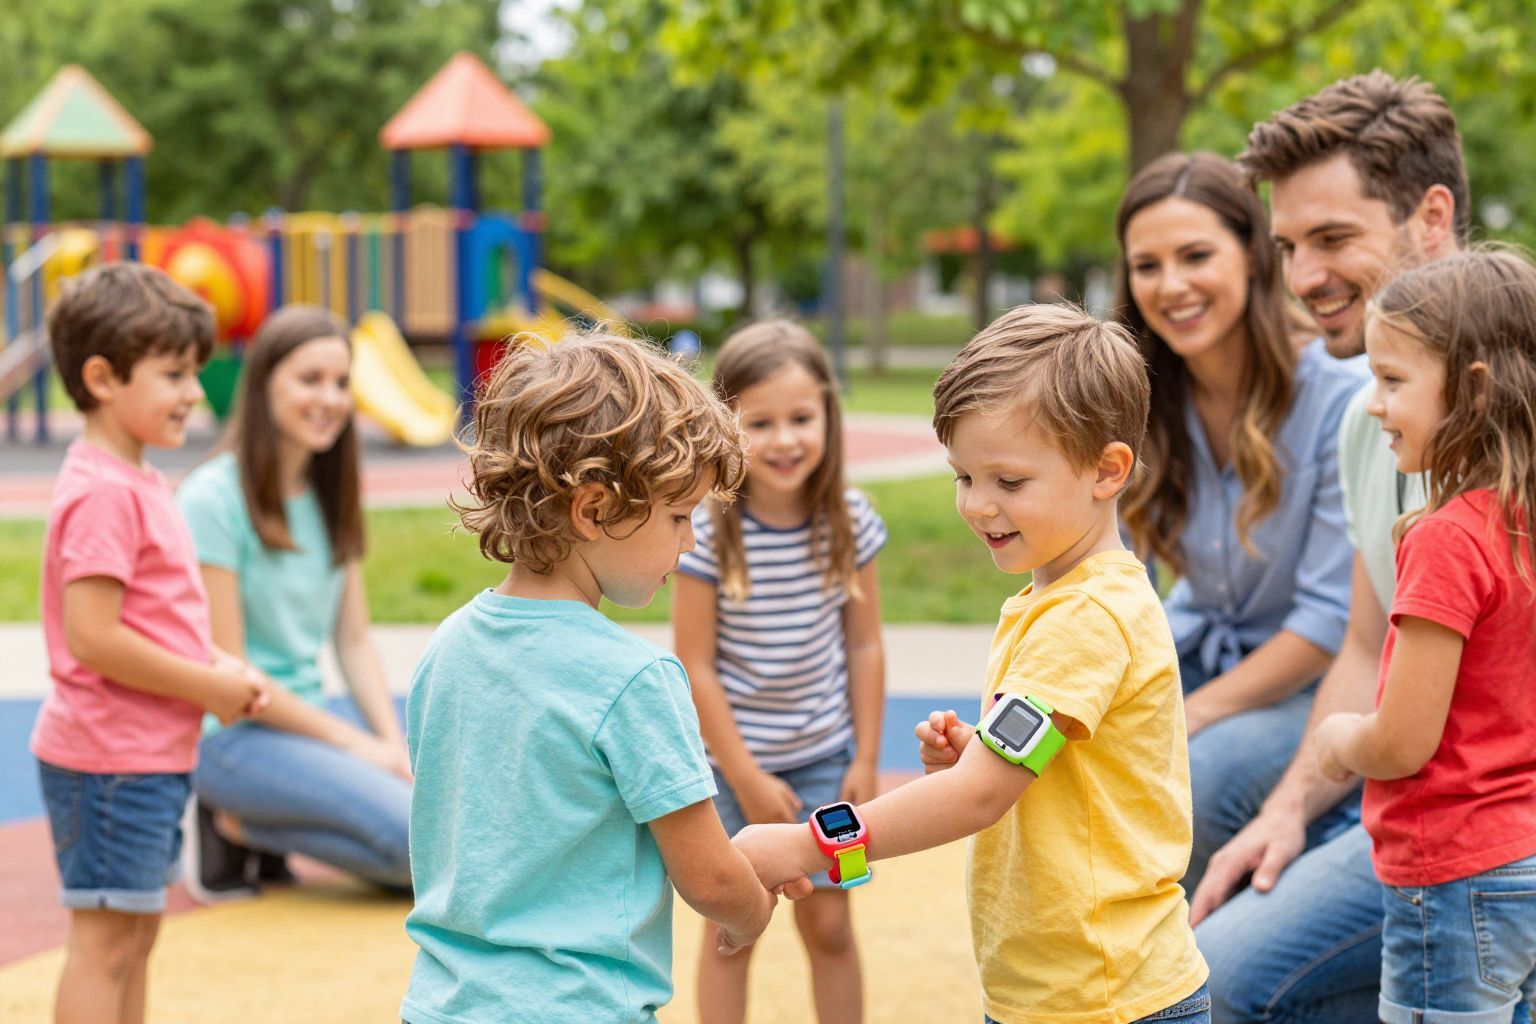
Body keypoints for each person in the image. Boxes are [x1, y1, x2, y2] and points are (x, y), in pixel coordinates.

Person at [733, 304, 1210, 1024]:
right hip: (1062, 989)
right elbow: (1016, 772)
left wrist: (808, 845)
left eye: (1009, 482)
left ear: (1107, 470)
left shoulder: (1084, 617)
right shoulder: (1061, 595)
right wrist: (979, 756)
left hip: (1104, 998)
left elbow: (977, 800)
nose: (978, 505)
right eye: (962, 476)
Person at [399, 330, 807, 1024]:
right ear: (592, 509)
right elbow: (709, 876)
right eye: (679, 516)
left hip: (441, 1004)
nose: (689, 541)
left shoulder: (448, 649)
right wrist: (750, 911)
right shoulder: (635, 679)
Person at [1188, 71, 1469, 1022]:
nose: (1303, 276)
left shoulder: (1514, 420)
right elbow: (1361, 644)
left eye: (1335, 239)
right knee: (1212, 957)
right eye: (1290, 246)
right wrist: (1284, 812)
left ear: (1432, 217)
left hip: (1490, 831)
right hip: (1415, 803)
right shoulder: (1366, 422)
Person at [1114, 152, 1364, 888]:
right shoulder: (1142, 400)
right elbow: (1116, 574)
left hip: (1313, 684)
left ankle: (1187, 980)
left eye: (1196, 256)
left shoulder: (1337, 398)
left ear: (1255, 258)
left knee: (1192, 773)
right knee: (1059, 768)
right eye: (1147, 265)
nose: (1172, 286)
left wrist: (1185, 716)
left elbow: (1326, 622)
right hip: (1197, 652)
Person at [31, 264, 269, 1024]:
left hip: (139, 757)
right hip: (109, 761)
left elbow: (152, 618)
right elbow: (93, 637)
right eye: (173, 375)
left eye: (194, 373)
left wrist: (214, 664)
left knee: (133, 938)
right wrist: (204, 686)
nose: (194, 393)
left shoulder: (133, 480)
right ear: (102, 378)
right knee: (105, 945)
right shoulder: (104, 490)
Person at [1314, 249, 1536, 1024]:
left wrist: (1341, 738)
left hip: (1452, 876)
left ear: (1474, 391)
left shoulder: (1449, 539)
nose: (1373, 404)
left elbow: (1403, 742)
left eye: (1393, 380)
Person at [674, 321, 886, 1024]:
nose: (784, 438)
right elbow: (694, 665)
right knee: (734, 928)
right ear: (725, 425)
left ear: (829, 412)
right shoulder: (703, 530)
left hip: (827, 760)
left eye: (801, 417)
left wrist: (865, 756)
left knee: (830, 925)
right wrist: (744, 777)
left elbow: (864, 646)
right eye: (758, 422)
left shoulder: (851, 521)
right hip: (733, 768)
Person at [176, 305, 411, 899]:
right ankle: (232, 815)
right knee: (425, 848)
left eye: (340, 382)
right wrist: (356, 746)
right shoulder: (213, 498)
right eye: (310, 380)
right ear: (263, 386)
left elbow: (353, 642)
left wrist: (393, 746)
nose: (329, 398)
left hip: (308, 728)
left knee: (451, 835)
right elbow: (232, 674)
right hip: (230, 736)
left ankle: (255, 829)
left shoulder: (330, 492)